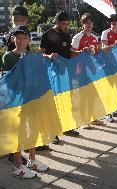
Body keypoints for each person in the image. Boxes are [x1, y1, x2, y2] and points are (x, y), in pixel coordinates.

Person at [2, 26, 49, 178]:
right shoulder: (8, 57)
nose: (21, 41)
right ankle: (17, 165)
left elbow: (37, 76)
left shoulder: (31, 56)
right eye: (18, 37)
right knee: (18, 132)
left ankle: (32, 160)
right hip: (16, 102)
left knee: (33, 129)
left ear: (29, 40)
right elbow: (9, 82)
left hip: (32, 99)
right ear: (12, 39)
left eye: (24, 38)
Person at [40, 11, 80, 144]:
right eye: (63, 24)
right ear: (56, 22)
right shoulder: (47, 35)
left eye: (67, 24)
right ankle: (53, 132)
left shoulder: (67, 34)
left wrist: (81, 52)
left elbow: (69, 52)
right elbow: (41, 54)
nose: (66, 26)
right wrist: (49, 56)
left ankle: (67, 127)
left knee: (67, 101)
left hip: (66, 73)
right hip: (52, 74)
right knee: (54, 103)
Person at [71, 13, 106, 128]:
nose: (89, 25)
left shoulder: (94, 39)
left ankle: (93, 118)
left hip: (91, 71)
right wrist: (82, 51)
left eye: (90, 22)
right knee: (83, 96)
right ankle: (83, 120)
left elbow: (95, 54)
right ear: (82, 24)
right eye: (86, 22)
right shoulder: (77, 37)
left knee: (93, 95)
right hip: (79, 71)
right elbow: (70, 54)